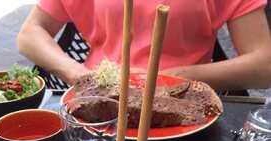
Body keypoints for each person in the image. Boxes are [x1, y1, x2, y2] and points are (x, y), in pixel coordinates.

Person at [17, 0, 271, 91]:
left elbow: (264, 65)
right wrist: (78, 74)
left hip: (184, 102)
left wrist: (174, 78)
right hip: (101, 100)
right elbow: (30, 33)